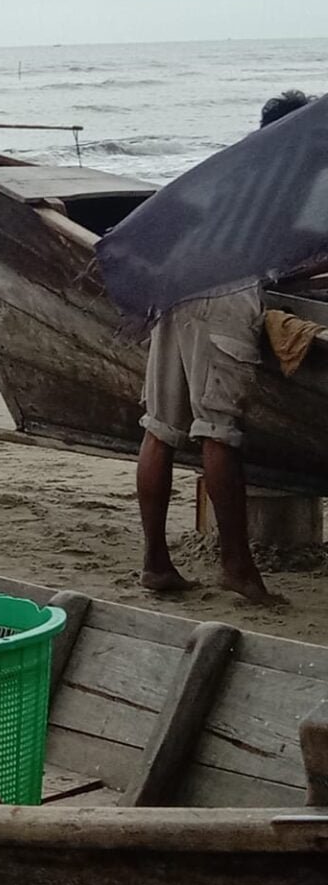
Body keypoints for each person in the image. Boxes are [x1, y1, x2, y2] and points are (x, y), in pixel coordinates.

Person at [136, 88, 316, 604]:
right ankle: (238, 567)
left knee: (161, 429)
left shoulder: (231, 164)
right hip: (224, 296)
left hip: (173, 289)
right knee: (219, 432)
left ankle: (155, 564)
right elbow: (284, 255)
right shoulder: (287, 177)